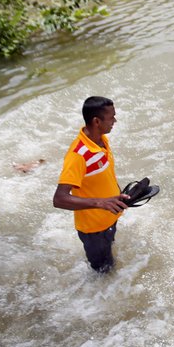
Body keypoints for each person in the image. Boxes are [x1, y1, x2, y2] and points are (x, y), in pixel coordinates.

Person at [54, 96, 130, 273]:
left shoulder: (102, 140)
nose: (115, 121)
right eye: (111, 117)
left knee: (111, 261)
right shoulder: (78, 155)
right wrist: (100, 203)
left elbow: (104, 175)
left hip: (109, 217)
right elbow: (59, 199)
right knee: (104, 274)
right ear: (97, 121)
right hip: (93, 230)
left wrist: (120, 196)